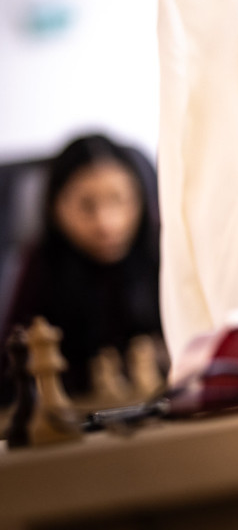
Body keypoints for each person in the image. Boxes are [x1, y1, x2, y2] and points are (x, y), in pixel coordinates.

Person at [2, 134, 162, 396]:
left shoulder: (161, 248)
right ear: (56, 207)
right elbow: (10, 369)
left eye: (119, 200)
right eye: (86, 206)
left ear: (142, 198)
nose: (106, 223)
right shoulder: (42, 264)